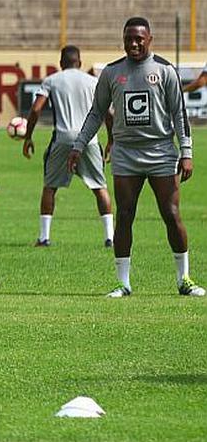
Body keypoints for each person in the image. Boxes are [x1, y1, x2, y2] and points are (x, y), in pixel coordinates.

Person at [69, 17, 202, 297]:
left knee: (171, 214)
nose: (133, 44)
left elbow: (179, 114)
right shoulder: (112, 72)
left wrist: (186, 152)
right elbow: (96, 112)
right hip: (126, 154)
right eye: (128, 39)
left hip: (161, 151)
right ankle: (123, 283)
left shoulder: (165, 70)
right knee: (125, 215)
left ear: (149, 39)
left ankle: (184, 279)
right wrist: (78, 145)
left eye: (139, 39)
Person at [23, 46, 114, 247]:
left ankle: (44, 237)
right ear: (79, 62)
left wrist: (28, 136)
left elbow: (36, 109)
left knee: (50, 186)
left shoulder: (52, 80)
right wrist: (111, 140)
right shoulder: (93, 81)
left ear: (61, 63)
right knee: (100, 187)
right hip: (89, 139)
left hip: (62, 138)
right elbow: (109, 113)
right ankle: (110, 237)